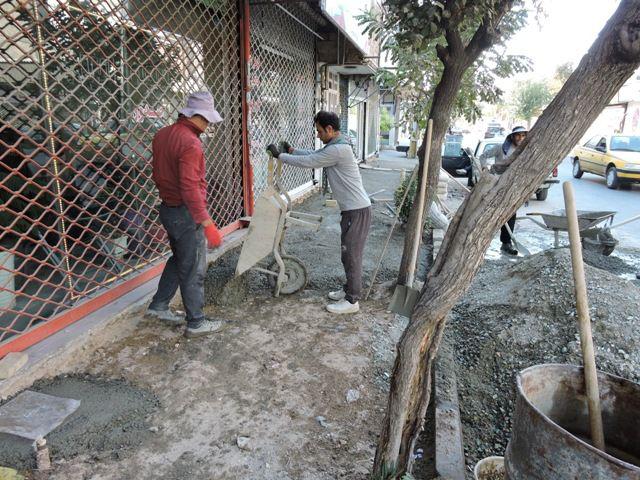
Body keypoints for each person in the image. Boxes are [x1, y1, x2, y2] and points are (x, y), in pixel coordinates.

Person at [266, 111, 371, 314]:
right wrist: (292, 151)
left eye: (319, 131)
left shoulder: (339, 150)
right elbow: (313, 156)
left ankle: (352, 301)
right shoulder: (336, 145)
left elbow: (311, 162)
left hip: (357, 211)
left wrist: (281, 156)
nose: (318, 135)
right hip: (353, 211)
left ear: (330, 129)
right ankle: (349, 290)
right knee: (346, 255)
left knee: (352, 256)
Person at [146, 91, 225, 338]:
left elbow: (160, 173)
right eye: (208, 120)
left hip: (168, 209)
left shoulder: (162, 135)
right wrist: (206, 222)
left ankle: (158, 305)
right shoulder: (191, 143)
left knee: (180, 258)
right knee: (193, 267)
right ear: (198, 116)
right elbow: (190, 187)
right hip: (185, 213)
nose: (209, 125)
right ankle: (196, 322)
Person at [479, 125, 528, 256]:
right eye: (518, 135)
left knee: (510, 214)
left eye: (523, 135)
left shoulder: (526, 151)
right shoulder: (500, 148)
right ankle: (480, 240)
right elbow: (483, 156)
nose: (520, 138)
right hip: (497, 185)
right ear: (512, 136)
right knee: (489, 212)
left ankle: (506, 243)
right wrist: (484, 169)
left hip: (513, 187)